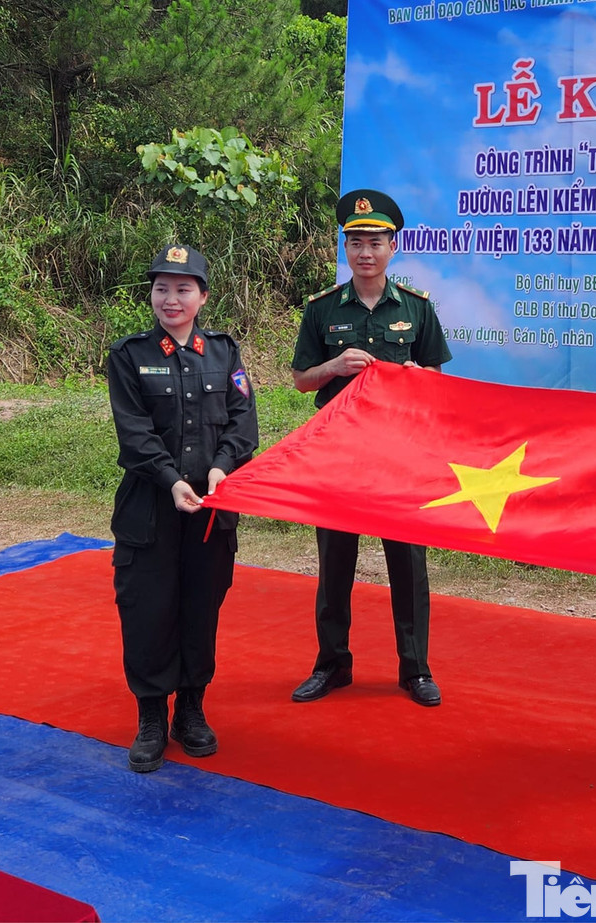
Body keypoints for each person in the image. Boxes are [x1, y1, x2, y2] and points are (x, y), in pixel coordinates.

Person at [289, 188, 453, 707]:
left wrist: (415, 376)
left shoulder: (417, 309)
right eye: (355, 242)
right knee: (335, 561)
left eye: (375, 242)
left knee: (407, 563)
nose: (365, 252)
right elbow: (300, 380)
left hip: (399, 454)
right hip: (338, 453)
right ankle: (331, 664)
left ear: (392, 247)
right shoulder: (321, 311)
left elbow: (437, 379)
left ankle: (416, 668)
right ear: (346, 248)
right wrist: (333, 368)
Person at [107, 243, 259, 773]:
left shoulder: (223, 353)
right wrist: (172, 480)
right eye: (161, 288)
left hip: (211, 510)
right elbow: (134, 435)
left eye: (183, 288)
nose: (170, 299)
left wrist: (221, 468)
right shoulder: (129, 355)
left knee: (200, 607)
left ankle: (190, 710)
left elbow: (243, 424)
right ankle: (151, 715)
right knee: (147, 610)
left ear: (202, 296)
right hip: (151, 506)